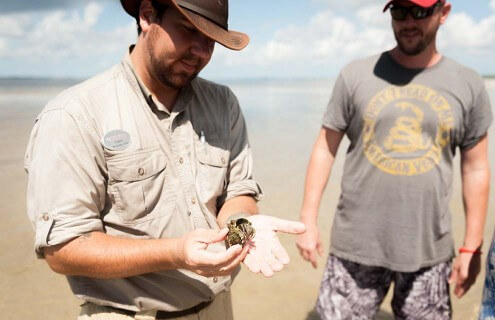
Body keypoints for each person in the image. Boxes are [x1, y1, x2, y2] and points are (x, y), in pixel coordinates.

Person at [24, 0, 306, 319]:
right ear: (147, 16)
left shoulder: (222, 103)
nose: (201, 50)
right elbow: (64, 250)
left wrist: (242, 226)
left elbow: (237, 192)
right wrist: (175, 253)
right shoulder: (74, 115)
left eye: (211, 39)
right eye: (189, 30)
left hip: (217, 308)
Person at [296, 0, 492, 319]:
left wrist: (472, 245)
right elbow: (324, 147)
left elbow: (476, 168)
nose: (408, 21)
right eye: (400, 11)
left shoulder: (468, 83)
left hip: (429, 251)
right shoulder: (356, 74)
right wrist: (308, 220)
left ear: (444, 13)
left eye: (420, 11)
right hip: (355, 247)